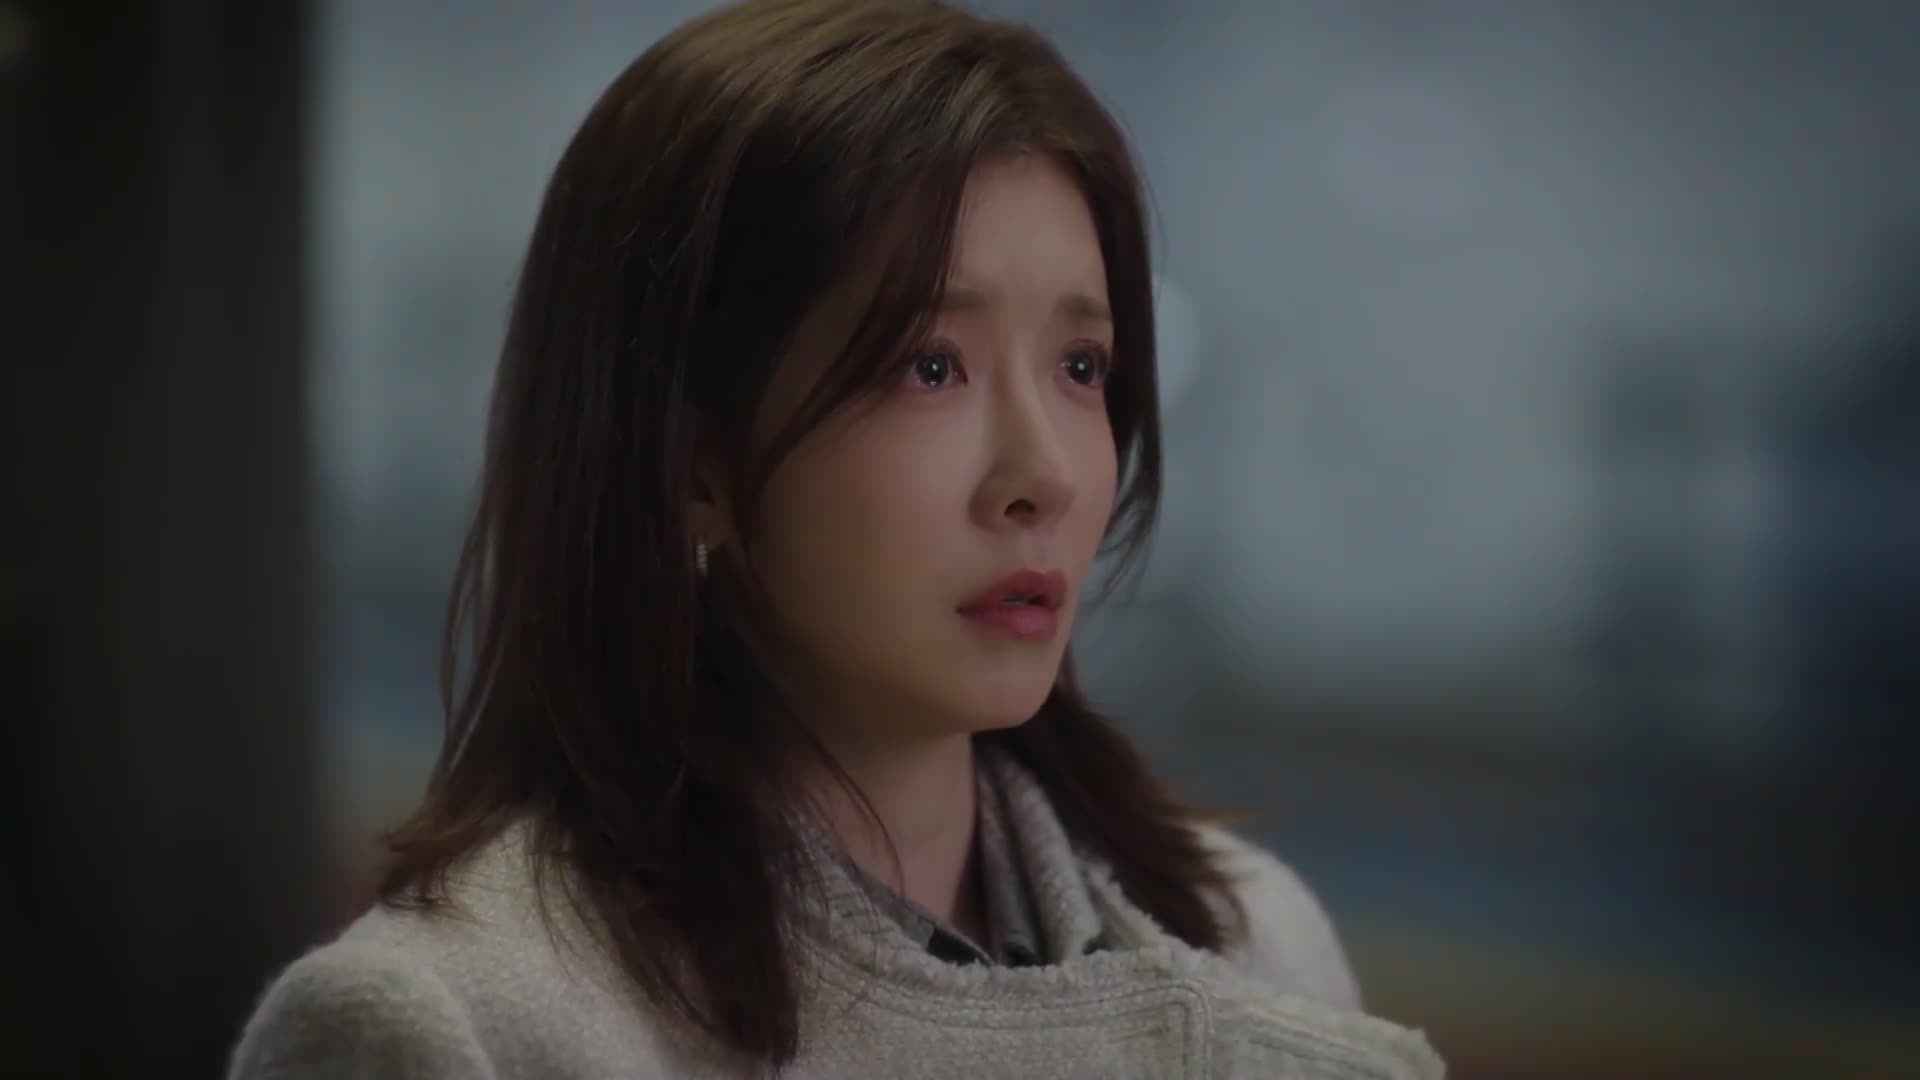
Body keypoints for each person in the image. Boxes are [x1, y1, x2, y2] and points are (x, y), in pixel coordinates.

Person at [229, 1, 1443, 1076]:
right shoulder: (456, 1030)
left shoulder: (1252, 945)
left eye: (1081, 365)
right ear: (692, 461)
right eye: (931, 366)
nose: (1044, 476)